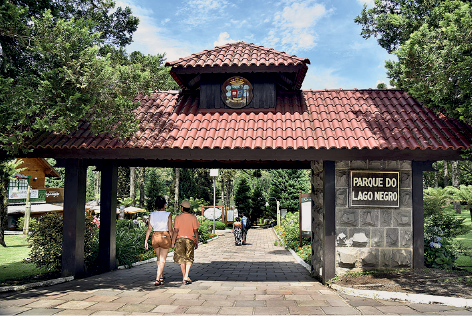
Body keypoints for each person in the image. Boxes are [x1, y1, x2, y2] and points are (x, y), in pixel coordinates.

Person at [144, 196, 173, 286]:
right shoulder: (168, 214)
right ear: (165, 205)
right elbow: (170, 229)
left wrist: (146, 240)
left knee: (158, 258)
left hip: (155, 236)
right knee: (163, 259)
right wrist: (173, 240)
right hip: (165, 236)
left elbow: (149, 228)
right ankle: (157, 279)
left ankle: (161, 276)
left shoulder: (151, 215)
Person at [171, 200, 199, 285]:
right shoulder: (193, 218)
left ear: (182, 208)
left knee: (181, 258)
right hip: (190, 240)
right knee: (189, 257)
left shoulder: (177, 217)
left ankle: (184, 277)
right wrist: (196, 241)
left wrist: (172, 241)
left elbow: (175, 230)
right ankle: (186, 275)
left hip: (180, 240)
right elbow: (196, 231)